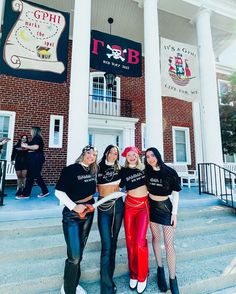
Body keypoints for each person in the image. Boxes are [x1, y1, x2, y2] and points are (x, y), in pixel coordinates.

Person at [55, 145, 98, 294]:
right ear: (83, 154)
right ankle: (68, 290)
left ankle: (72, 283)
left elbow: (92, 192)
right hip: (72, 216)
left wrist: (93, 204)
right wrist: (74, 207)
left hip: (88, 214)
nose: (91, 156)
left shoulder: (92, 171)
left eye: (94, 154)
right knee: (74, 256)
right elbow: (59, 192)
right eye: (89, 153)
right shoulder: (71, 169)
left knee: (79, 252)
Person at [144, 147, 181, 294]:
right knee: (155, 237)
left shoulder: (169, 172)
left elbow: (176, 194)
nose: (150, 158)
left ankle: (173, 279)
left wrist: (174, 214)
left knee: (168, 244)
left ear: (158, 156)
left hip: (165, 208)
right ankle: (160, 270)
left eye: (152, 155)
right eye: (147, 157)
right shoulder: (146, 172)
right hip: (151, 206)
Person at [119, 146, 149, 294]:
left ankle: (143, 276)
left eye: (134, 154)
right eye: (129, 155)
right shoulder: (123, 171)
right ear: (126, 157)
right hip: (129, 207)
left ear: (138, 156)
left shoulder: (144, 169)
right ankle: (134, 274)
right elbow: (115, 184)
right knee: (130, 241)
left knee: (139, 242)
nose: (132, 157)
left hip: (143, 206)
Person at [97, 145, 124, 294]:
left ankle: (109, 279)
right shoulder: (97, 168)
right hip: (103, 208)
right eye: (111, 152)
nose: (113, 155)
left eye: (116, 154)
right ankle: (106, 287)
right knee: (106, 244)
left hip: (118, 208)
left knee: (113, 243)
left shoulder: (121, 169)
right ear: (106, 152)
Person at [16, 126, 49, 199]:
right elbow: (32, 147)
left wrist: (26, 146)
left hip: (36, 159)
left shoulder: (37, 137)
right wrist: (24, 147)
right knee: (30, 176)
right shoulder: (35, 138)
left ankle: (45, 191)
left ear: (34, 131)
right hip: (33, 159)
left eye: (31, 130)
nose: (30, 132)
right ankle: (26, 194)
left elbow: (36, 147)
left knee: (36, 175)